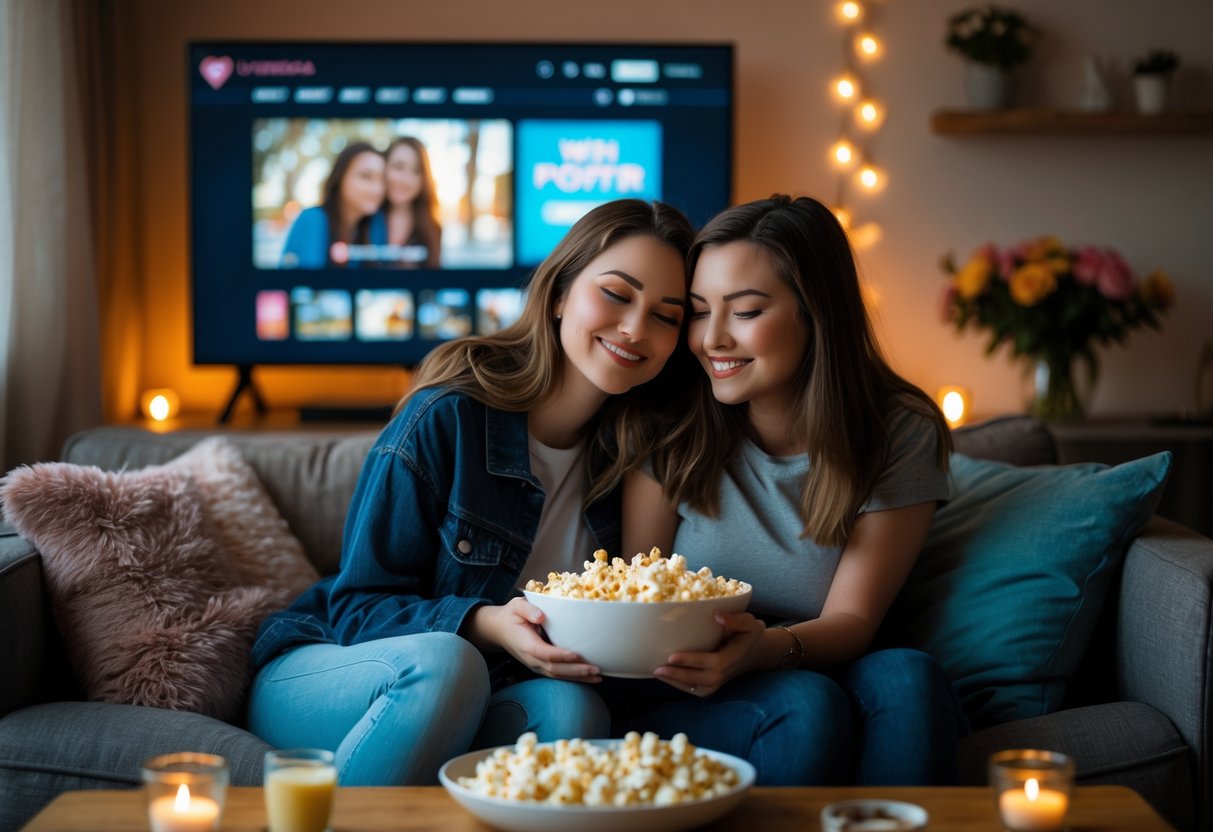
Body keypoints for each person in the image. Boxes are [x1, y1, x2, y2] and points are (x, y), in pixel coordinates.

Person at [247, 199, 695, 786]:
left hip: (486, 685)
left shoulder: (633, 462)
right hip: (332, 670)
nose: (637, 328)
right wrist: (484, 623)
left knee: (574, 710)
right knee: (450, 661)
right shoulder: (448, 416)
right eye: (616, 293)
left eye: (666, 316)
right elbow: (356, 607)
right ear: (559, 292)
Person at [620, 194, 965, 786]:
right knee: (807, 706)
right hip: (688, 682)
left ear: (816, 313)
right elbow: (633, 599)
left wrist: (763, 648)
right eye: (700, 312)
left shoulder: (899, 429)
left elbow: (854, 617)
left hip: (825, 659)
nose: (712, 339)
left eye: (747, 311)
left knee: (910, 677)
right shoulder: (669, 422)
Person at [280, 142, 385, 268]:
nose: (377, 189)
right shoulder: (312, 219)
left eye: (382, 179)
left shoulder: (373, 228)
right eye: (366, 176)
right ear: (340, 177)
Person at [374, 136, 442, 269]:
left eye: (416, 171)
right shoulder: (365, 218)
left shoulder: (432, 228)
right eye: (398, 167)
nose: (405, 179)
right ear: (384, 167)